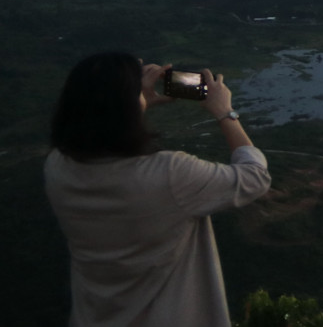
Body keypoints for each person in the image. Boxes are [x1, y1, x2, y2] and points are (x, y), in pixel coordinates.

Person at [44, 52, 271, 327]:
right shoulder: (169, 174)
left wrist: (138, 104)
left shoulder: (58, 167)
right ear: (127, 105)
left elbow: (103, 135)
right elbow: (255, 177)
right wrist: (224, 111)